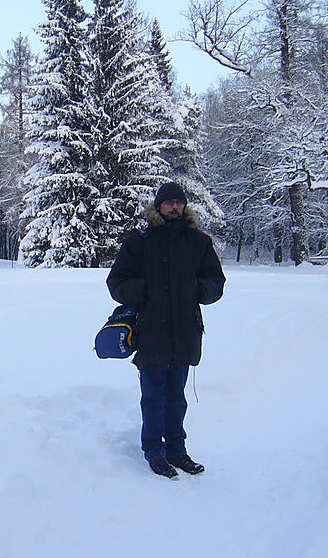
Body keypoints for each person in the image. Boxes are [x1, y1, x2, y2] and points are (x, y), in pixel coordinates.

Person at [106, 182, 226, 479]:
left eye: (179, 202)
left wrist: (197, 289)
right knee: (153, 396)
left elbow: (216, 282)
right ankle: (154, 452)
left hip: (185, 332)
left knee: (176, 396)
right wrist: (147, 289)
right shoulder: (140, 241)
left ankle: (177, 450)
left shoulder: (198, 242)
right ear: (158, 206)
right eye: (169, 202)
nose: (174, 207)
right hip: (151, 333)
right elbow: (117, 283)